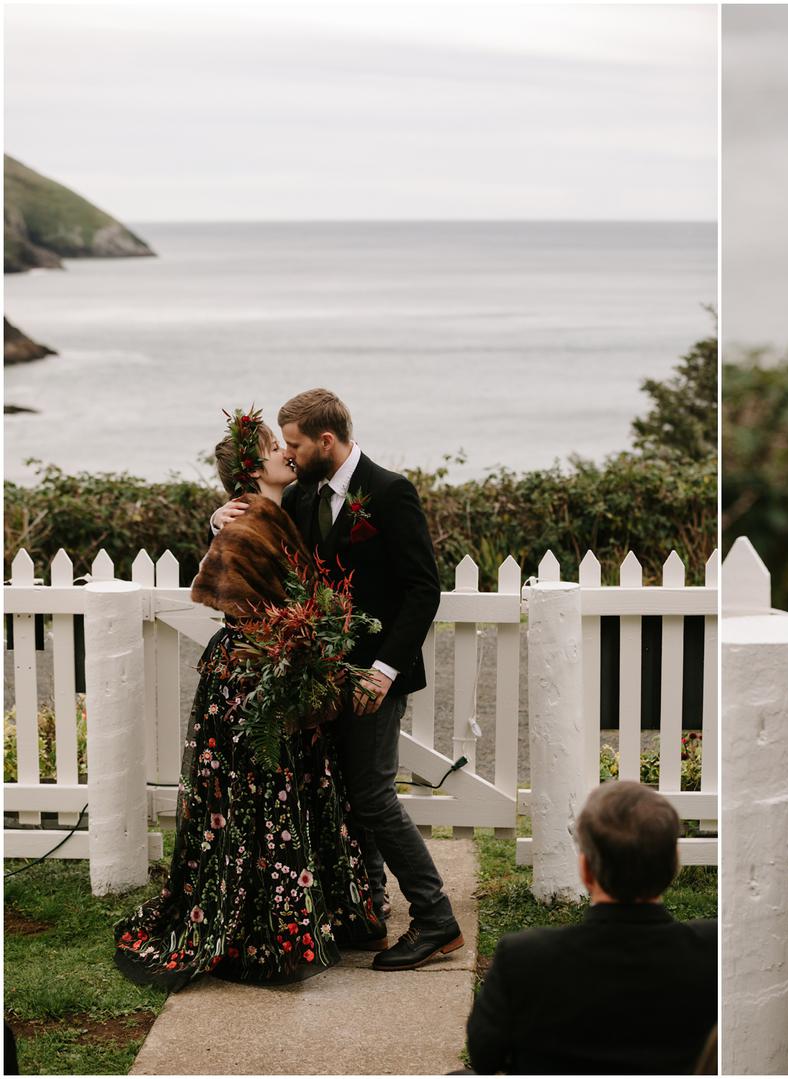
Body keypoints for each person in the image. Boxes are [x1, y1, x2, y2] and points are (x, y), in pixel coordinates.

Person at [115, 413, 385, 989]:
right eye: (273, 448)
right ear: (252, 467)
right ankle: (257, 929)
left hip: (276, 669)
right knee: (254, 802)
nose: (288, 453)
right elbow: (242, 600)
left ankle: (293, 919)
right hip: (249, 674)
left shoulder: (290, 505)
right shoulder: (242, 525)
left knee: (285, 795)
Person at [210, 389, 462, 972]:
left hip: (378, 676)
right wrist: (219, 516)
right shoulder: (299, 497)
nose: (289, 454)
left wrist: (382, 672)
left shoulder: (391, 492)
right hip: (322, 678)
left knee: (373, 796)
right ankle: (369, 911)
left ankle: (435, 919)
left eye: (295, 444)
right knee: (347, 793)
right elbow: (263, 548)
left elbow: (424, 590)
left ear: (327, 440)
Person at [465, 780, 718, 1074]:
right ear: (673, 867)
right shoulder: (714, 952)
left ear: (586, 870)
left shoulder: (525, 957)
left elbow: (485, 1057)